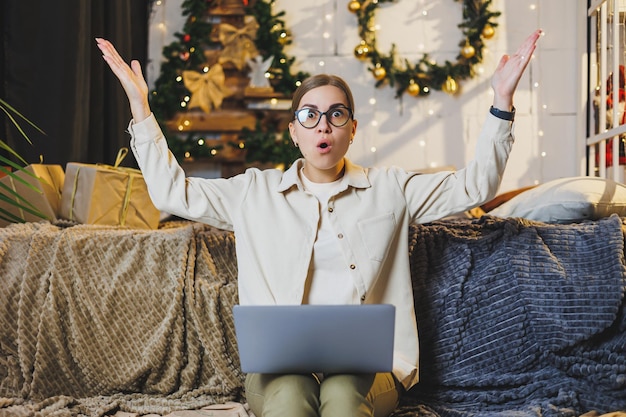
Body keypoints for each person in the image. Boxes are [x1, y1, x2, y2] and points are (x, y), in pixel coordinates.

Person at [96, 29, 542, 417]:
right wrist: (141, 109)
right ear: (294, 131)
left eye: (336, 114)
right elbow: (173, 193)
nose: (322, 125)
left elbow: (474, 187)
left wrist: (501, 102)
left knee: (344, 400)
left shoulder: (392, 189)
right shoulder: (253, 192)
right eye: (309, 115)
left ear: (352, 129)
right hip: (279, 367)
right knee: (290, 401)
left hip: (371, 367)